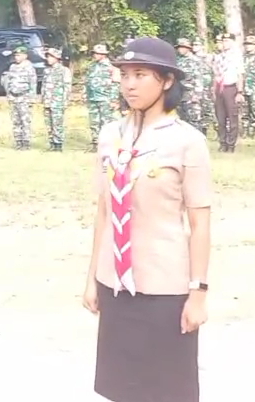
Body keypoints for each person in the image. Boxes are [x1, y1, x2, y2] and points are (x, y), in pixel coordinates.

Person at [82, 37, 212, 402]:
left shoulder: (187, 142)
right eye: (125, 75)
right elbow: (104, 212)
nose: (130, 84)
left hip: (164, 288)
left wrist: (198, 293)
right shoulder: (111, 135)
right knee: (121, 388)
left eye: (140, 75)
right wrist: (92, 279)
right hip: (116, 284)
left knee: (167, 390)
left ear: (167, 81)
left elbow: (200, 224)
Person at [212, 33, 244, 152]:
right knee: (220, 118)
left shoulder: (236, 56)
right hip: (219, 88)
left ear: (232, 42)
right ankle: (223, 142)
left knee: (232, 117)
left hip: (231, 88)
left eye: (227, 41)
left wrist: (239, 92)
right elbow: (216, 74)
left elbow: (240, 74)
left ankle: (231, 144)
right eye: (223, 41)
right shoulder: (219, 57)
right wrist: (213, 90)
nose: (225, 43)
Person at [1, 46, 37, 150]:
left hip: (24, 97)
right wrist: (9, 95)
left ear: (25, 56)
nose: (16, 57)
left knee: (25, 121)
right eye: (15, 55)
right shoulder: (12, 67)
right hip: (14, 97)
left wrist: (32, 98)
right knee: (16, 121)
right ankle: (18, 142)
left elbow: (33, 83)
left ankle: (26, 143)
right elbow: (9, 82)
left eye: (19, 55)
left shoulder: (29, 67)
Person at [85, 44, 119, 152]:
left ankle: (108, 145)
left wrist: (114, 100)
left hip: (106, 99)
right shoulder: (91, 66)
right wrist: (86, 95)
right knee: (94, 123)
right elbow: (88, 82)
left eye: (97, 53)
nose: (94, 55)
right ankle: (96, 144)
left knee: (107, 123)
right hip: (93, 98)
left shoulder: (111, 67)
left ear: (103, 55)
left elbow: (115, 84)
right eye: (94, 53)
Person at [42, 47, 72, 151]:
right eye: (48, 57)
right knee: (49, 124)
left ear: (57, 58)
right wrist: (43, 98)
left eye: (51, 57)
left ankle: (58, 144)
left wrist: (65, 101)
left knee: (57, 124)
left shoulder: (64, 70)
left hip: (58, 101)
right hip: (47, 101)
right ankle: (52, 144)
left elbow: (67, 87)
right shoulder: (47, 71)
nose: (48, 59)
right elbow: (44, 86)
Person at [192, 38, 216, 137]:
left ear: (202, 46)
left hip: (207, 89)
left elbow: (215, 72)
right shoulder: (192, 58)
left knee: (209, 111)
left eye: (197, 45)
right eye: (194, 45)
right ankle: (200, 133)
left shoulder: (209, 58)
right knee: (197, 111)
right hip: (196, 89)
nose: (194, 47)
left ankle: (215, 131)